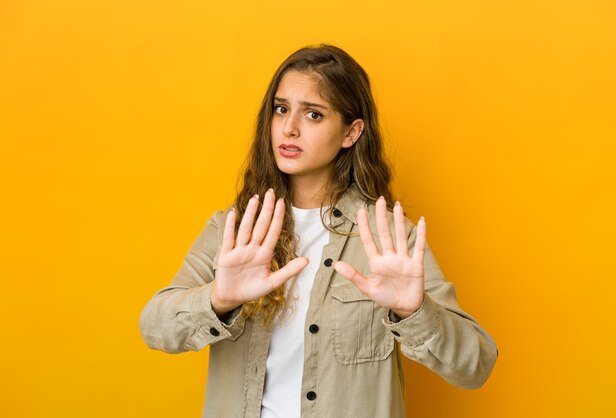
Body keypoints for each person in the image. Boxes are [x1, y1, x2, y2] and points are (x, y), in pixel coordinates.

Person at [139, 43, 498, 418]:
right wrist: (218, 299)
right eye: (281, 109)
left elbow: (476, 367)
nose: (289, 128)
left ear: (351, 132)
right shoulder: (236, 229)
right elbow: (154, 327)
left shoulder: (389, 239)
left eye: (313, 115)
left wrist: (414, 311)